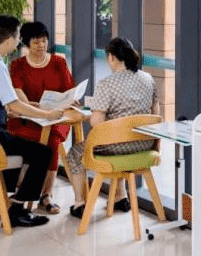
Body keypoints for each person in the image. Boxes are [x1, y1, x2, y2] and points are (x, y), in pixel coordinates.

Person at [0, 15, 66, 227]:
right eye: (17, 38)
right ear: (8, 40)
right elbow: (14, 104)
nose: (18, 42)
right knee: (43, 153)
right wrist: (48, 115)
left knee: (13, 146)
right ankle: (17, 211)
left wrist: (15, 109)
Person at [66, 37, 160, 219]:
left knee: (75, 152)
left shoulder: (107, 84)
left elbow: (96, 123)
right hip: (145, 145)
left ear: (111, 57)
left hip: (116, 148)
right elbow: (156, 112)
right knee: (121, 137)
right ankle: (120, 197)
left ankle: (79, 203)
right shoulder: (148, 79)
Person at [8, 21, 76, 214]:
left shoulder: (58, 63)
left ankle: (46, 196)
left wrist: (71, 100)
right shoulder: (17, 65)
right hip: (27, 118)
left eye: (44, 41)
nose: (41, 46)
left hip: (55, 118)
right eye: (36, 42)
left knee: (52, 142)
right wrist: (33, 108)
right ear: (27, 43)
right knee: (31, 142)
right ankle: (24, 190)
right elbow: (19, 95)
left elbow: (69, 90)